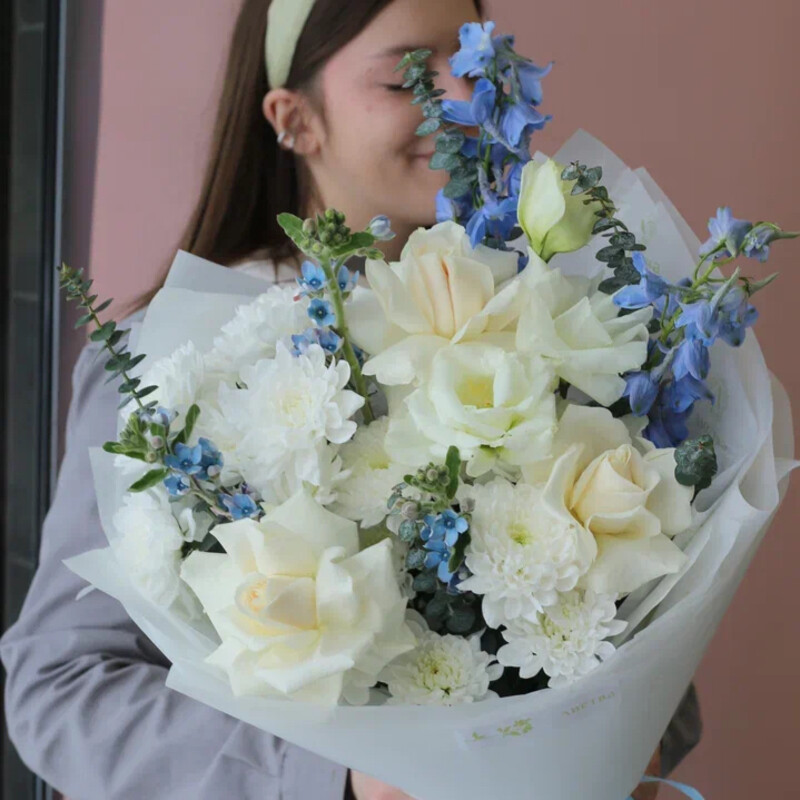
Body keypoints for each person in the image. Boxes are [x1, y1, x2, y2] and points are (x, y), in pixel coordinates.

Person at [0, 1, 701, 798]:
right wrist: (338, 780)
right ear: (294, 119)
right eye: (408, 76)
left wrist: (625, 741)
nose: (461, 98)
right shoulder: (169, 368)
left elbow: (648, 638)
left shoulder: (557, 337)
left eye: (474, 64)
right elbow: (59, 687)